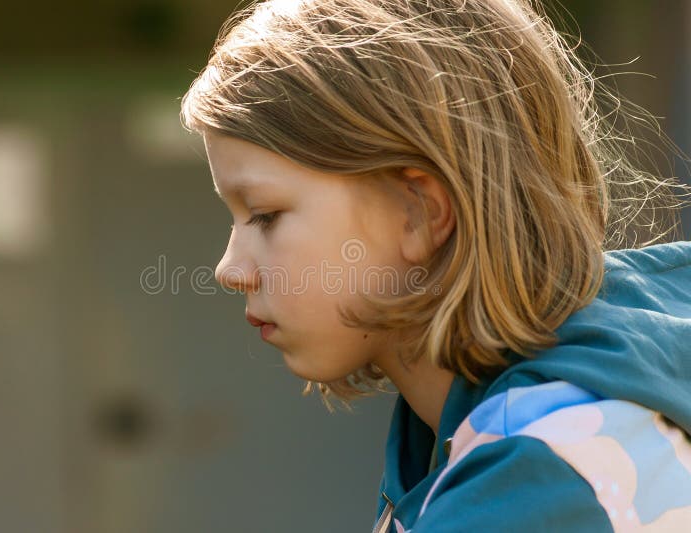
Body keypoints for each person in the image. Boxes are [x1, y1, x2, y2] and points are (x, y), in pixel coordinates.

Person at [180, 0, 691, 531]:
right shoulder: (468, 435)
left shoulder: (543, 479)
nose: (230, 269)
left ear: (419, 213)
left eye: (265, 215)